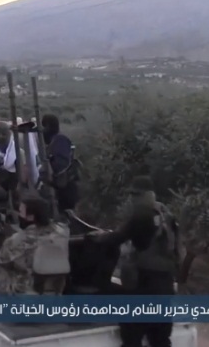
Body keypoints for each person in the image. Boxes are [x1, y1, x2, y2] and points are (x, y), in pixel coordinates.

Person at [87, 176, 180, 347]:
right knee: (161, 339)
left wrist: (99, 238)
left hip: (144, 286)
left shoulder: (141, 215)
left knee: (132, 336)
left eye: (136, 194)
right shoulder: (167, 215)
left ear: (148, 194)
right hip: (165, 286)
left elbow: (118, 237)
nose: (133, 198)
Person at [0, 192, 59, 294]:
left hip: (24, 289)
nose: (18, 215)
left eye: (20, 212)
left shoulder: (16, 240)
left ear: (31, 217)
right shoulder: (58, 233)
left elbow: (1, 260)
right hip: (49, 286)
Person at [40, 114, 79, 212]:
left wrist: (48, 169)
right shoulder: (55, 141)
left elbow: (61, 167)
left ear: (48, 127)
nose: (42, 131)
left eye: (44, 127)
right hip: (62, 190)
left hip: (66, 190)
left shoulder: (59, 140)